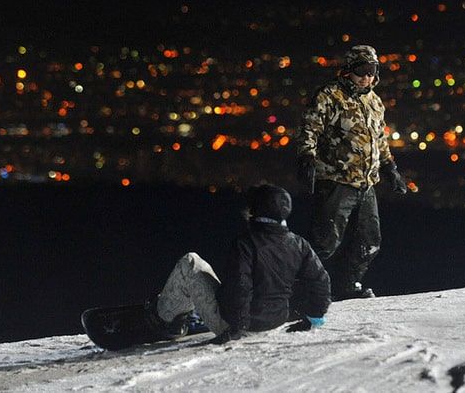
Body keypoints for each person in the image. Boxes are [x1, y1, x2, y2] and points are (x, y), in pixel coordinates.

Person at [147, 184, 332, 342]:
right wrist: (313, 317)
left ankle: (164, 318)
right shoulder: (299, 243)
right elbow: (321, 280)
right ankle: (187, 311)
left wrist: (236, 328)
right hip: (276, 320)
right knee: (206, 270)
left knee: (190, 262)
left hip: (241, 326)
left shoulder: (246, 243)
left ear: (254, 210)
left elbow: (241, 287)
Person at [297, 44, 408, 300]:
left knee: (369, 242)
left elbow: (379, 138)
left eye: (372, 70)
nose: (367, 76)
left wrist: (390, 168)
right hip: (337, 181)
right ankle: (304, 291)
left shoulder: (374, 101)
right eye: (362, 70)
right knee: (325, 243)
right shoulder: (330, 95)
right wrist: (306, 157)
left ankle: (346, 286)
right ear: (349, 70)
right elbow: (309, 128)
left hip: (366, 183)